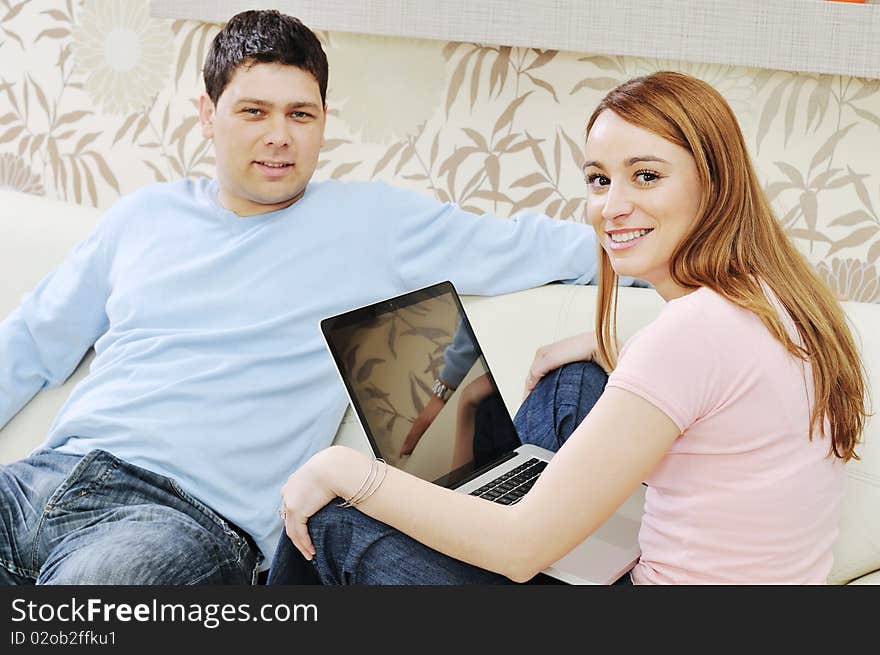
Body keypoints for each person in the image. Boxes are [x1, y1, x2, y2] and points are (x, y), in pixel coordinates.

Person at [0, 10, 629, 586]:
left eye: (300, 114)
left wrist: (701, 266)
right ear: (206, 114)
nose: (279, 136)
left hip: (183, 518)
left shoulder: (374, 223)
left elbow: (563, 249)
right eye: (253, 112)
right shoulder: (141, 216)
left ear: (323, 121)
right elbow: (29, 343)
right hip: (43, 480)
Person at [271, 71, 868, 585]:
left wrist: (343, 468)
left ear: (714, 181)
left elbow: (518, 549)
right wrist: (608, 348)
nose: (612, 206)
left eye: (647, 176)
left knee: (335, 521)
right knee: (575, 379)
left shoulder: (689, 337)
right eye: (600, 179)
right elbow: (717, 382)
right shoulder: (777, 299)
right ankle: (474, 493)